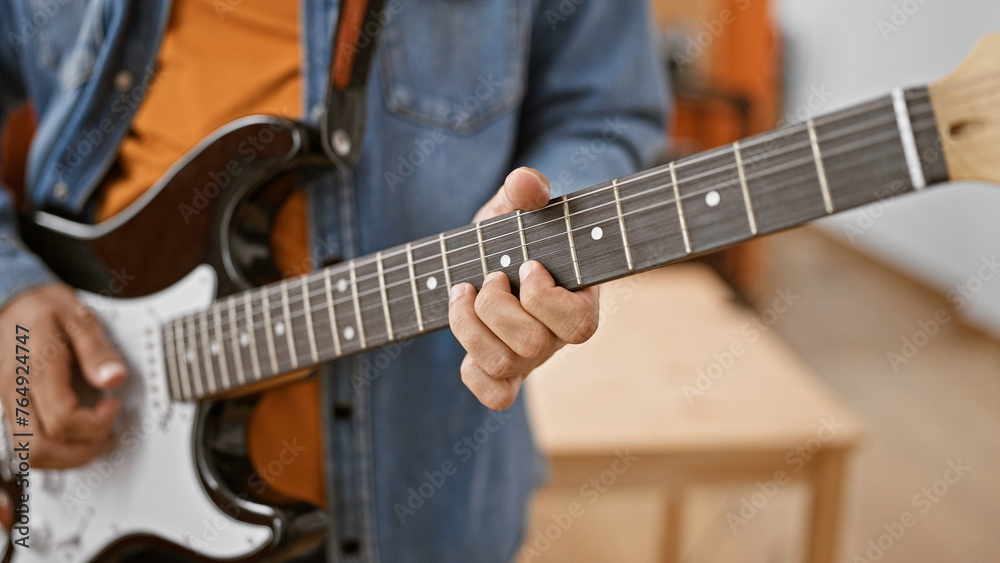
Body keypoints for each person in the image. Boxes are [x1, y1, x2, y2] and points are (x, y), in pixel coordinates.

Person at [0, 0, 667, 560]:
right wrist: (11, 286)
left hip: (421, 499)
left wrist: (541, 231)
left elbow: (605, 110)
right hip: (87, 470)